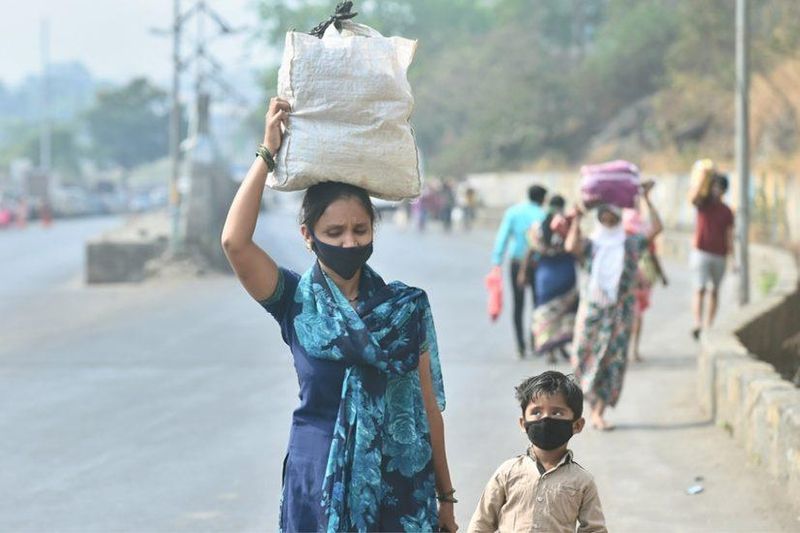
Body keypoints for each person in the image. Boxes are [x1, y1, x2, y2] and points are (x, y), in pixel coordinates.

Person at [221, 97, 458, 532]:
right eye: (334, 232)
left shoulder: (405, 309)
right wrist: (266, 153)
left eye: (360, 230)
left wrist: (446, 497)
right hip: (317, 478)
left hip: (398, 486)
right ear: (307, 236)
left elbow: (427, 409)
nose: (349, 242)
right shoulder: (293, 299)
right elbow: (235, 243)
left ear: (373, 231)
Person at [565, 184, 663, 430]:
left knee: (614, 360)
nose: (608, 221)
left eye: (612, 217)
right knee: (581, 356)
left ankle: (598, 412)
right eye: (604, 217)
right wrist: (576, 217)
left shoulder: (630, 244)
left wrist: (647, 200)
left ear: (618, 219)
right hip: (592, 311)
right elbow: (570, 246)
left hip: (621, 312)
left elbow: (657, 228)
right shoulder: (591, 245)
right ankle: (587, 404)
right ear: (599, 220)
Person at [468, 371, 606, 533]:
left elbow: (594, 529)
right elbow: (481, 523)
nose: (546, 419)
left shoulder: (582, 481)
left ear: (577, 425)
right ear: (523, 423)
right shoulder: (508, 472)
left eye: (557, 412)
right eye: (536, 412)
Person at [518, 195, 578, 364]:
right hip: (566, 273)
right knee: (566, 311)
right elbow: (576, 248)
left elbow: (530, 252)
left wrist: (523, 272)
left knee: (545, 312)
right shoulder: (568, 226)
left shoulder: (537, 228)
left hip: (545, 275)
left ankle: (550, 350)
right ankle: (562, 346)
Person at [491, 184, 548, 358]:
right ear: (541, 198)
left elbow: (502, 237)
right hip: (537, 264)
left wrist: (497, 261)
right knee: (537, 304)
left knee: (518, 304)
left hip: (516, 262)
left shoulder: (513, 212)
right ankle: (535, 341)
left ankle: (520, 346)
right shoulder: (543, 214)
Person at [689, 172, 735, 340]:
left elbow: (729, 236)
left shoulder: (727, 211)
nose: (716, 190)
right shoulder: (703, 204)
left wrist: (732, 258)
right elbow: (693, 197)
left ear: (724, 190)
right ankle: (698, 323)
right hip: (700, 252)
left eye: (719, 187)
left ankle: (709, 325)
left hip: (719, 254)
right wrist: (704, 176)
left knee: (714, 290)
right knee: (699, 288)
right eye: (714, 186)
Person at [622, 202, 668, 362]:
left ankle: (630, 350)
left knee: (631, 316)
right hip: (640, 282)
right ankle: (633, 350)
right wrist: (662, 275)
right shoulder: (640, 236)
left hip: (633, 283)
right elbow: (653, 253)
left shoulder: (624, 238)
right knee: (637, 316)